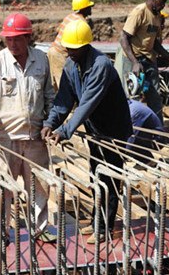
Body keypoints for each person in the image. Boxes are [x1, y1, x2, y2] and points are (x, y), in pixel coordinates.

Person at [41, 19, 133, 244]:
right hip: (95, 130)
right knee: (96, 175)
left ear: (85, 46)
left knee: (109, 179)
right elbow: (63, 100)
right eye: (68, 48)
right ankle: (95, 222)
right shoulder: (71, 66)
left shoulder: (101, 65)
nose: (70, 52)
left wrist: (65, 131)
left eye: (74, 48)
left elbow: (86, 104)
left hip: (113, 131)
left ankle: (104, 228)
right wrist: (50, 124)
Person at [0, 13, 56, 246]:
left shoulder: (41, 59)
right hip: (6, 138)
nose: (12, 44)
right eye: (9, 40)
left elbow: (49, 94)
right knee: (4, 189)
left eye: (17, 39)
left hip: (35, 138)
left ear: (28, 37)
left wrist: (50, 123)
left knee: (39, 186)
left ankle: (40, 230)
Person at [116, 0, 169, 123]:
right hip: (133, 58)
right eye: (162, 1)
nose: (164, 5)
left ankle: (158, 133)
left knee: (155, 97)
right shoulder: (139, 12)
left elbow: (155, 42)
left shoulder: (157, 15)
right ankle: (133, 131)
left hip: (149, 59)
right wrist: (134, 62)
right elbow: (124, 38)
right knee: (134, 97)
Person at [47, 0, 94, 90]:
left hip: (52, 50)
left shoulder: (69, 16)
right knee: (65, 87)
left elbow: (58, 30)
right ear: (83, 9)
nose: (91, 9)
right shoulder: (81, 23)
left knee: (55, 86)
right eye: (89, 7)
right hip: (60, 54)